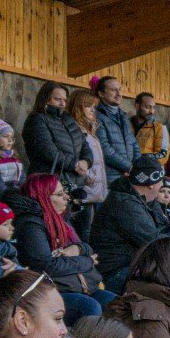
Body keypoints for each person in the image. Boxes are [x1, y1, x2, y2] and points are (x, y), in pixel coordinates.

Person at [9, 173, 108, 321]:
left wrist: (78, 250)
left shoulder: (59, 218)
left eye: (65, 192)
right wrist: (87, 262)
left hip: (81, 286)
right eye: (59, 194)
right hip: (53, 291)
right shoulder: (31, 226)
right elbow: (47, 265)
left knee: (116, 304)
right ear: (43, 197)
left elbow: (86, 247)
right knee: (90, 307)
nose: (67, 197)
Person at [92, 155, 170, 292]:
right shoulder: (125, 204)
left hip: (129, 265)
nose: (162, 185)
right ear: (151, 183)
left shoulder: (143, 199)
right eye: (161, 181)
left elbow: (163, 227)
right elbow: (154, 242)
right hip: (114, 273)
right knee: (169, 281)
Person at [21, 81, 88, 192]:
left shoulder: (68, 119)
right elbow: (47, 151)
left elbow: (85, 144)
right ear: (45, 99)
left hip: (75, 182)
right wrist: (75, 164)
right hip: (49, 183)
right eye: (57, 99)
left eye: (65, 100)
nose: (62, 104)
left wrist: (86, 161)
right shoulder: (37, 120)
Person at [66, 88, 108, 240]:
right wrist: (87, 178)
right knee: (83, 233)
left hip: (93, 190)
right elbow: (77, 158)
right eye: (88, 106)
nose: (92, 110)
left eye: (94, 107)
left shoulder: (89, 130)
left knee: (91, 231)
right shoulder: (76, 131)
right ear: (78, 106)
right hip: (84, 190)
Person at [91, 75, 136, 182]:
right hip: (109, 175)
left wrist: (136, 166)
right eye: (113, 90)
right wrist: (129, 167)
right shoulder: (96, 115)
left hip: (128, 174)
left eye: (120, 89)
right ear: (101, 94)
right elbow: (103, 147)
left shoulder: (124, 116)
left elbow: (134, 143)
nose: (119, 93)